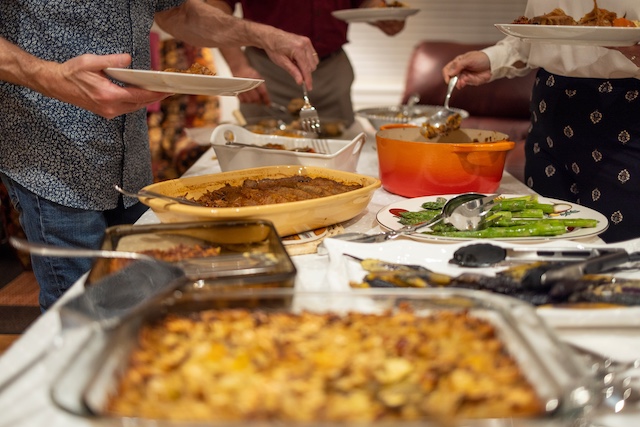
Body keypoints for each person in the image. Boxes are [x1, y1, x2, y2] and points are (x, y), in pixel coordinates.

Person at [0, 0, 319, 311]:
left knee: (140, 302)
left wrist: (263, 35)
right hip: (51, 155)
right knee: (83, 315)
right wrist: (47, 75)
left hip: (131, 161)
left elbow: (179, 12)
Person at [443, 0, 640, 243]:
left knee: (620, 251)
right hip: (550, 114)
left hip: (625, 119)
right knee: (543, 241)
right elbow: (533, 37)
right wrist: (491, 59)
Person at [207, 0, 406, 127]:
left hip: (331, 71)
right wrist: (238, 65)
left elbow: (364, 2)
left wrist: (380, 13)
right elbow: (216, 7)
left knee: (340, 147)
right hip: (267, 72)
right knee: (261, 148)